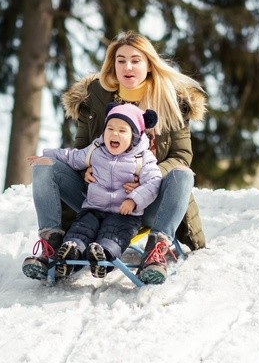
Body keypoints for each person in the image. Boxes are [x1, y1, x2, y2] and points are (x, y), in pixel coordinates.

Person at [22, 32, 207, 284]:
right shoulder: (95, 96)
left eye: (135, 60)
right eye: (120, 60)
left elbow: (182, 156)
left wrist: (145, 179)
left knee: (183, 175)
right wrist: (84, 168)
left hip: (146, 203)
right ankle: (51, 245)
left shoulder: (170, 99)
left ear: (149, 65)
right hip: (97, 199)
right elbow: (81, 149)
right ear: (112, 64)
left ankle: (156, 251)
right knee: (46, 167)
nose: (127, 67)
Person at [26, 103, 163, 281]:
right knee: (81, 230)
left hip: (123, 214)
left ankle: (103, 257)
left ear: (135, 137)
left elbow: (154, 182)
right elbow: (71, 156)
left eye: (122, 131)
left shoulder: (143, 158)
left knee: (113, 235)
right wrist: (46, 154)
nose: (114, 134)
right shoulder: (95, 150)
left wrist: (134, 200)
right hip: (93, 208)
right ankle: (70, 254)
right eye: (110, 128)